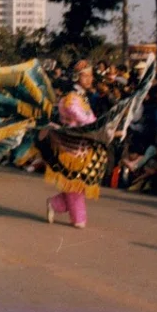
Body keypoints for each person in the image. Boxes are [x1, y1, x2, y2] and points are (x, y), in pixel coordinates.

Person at [44, 59, 98, 228]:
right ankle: (78, 218)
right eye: (86, 76)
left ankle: (56, 203)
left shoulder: (81, 97)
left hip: (82, 146)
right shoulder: (71, 98)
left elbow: (89, 119)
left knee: (78, 183)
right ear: (76, 77)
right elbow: (81, 117)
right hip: (70, 147)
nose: (90, 79)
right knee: (75, 183)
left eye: (91, 76)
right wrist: (95, 124)